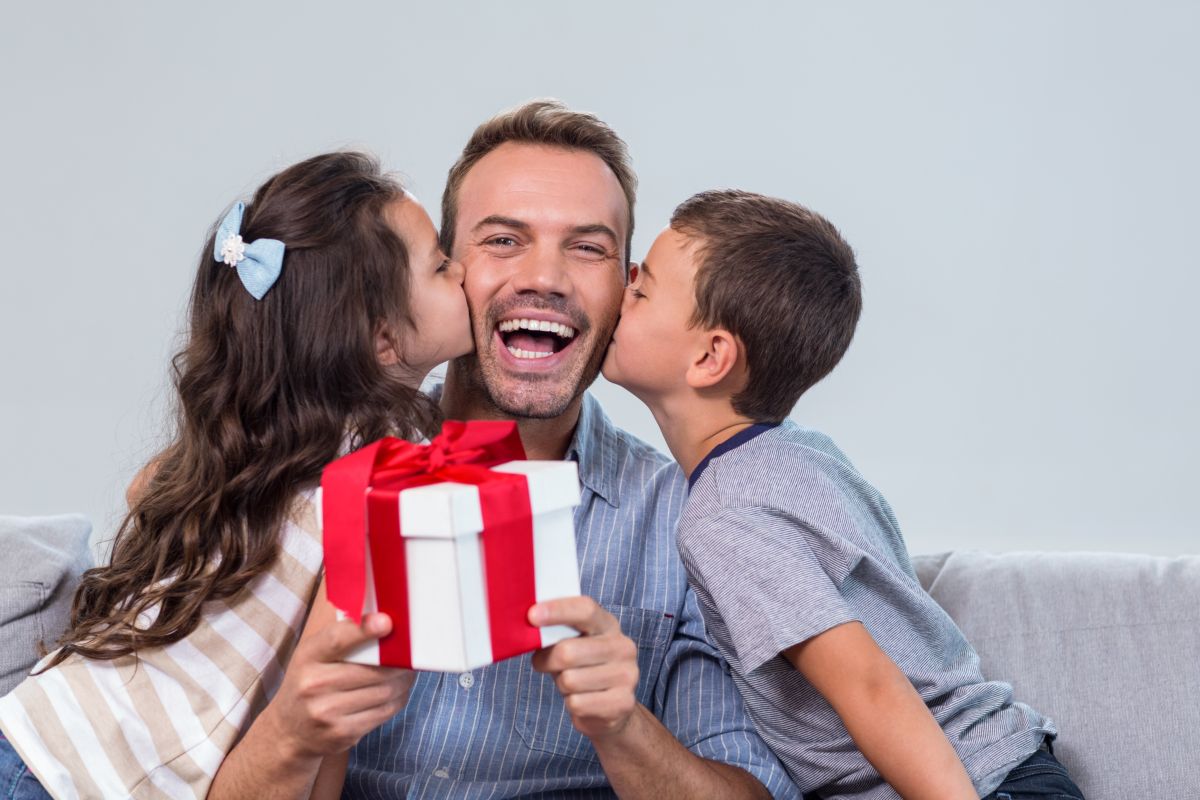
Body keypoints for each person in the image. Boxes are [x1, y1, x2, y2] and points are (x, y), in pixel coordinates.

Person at [342, 102, 796, 798]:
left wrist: (625, 726)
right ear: (445, 271)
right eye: (502, 240)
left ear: (627, 288)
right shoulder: (327, 470)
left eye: (588, 247)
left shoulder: (690, 520)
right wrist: (298, 723)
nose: (545, 278)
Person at [0, 151, 473, 799]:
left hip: (35, 728)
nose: (467, 273)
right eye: (443, 266)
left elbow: (146, 489)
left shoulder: (277, 436)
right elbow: (329, 706)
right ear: (385, 339)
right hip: (76, 782)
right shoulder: (391, 467)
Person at [602, 189, 1086, 799]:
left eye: (642, 290)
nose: (621, 289)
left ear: (709, 356)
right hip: (1010, 765)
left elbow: (868, 684)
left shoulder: (726, 512)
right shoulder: (802, 454)